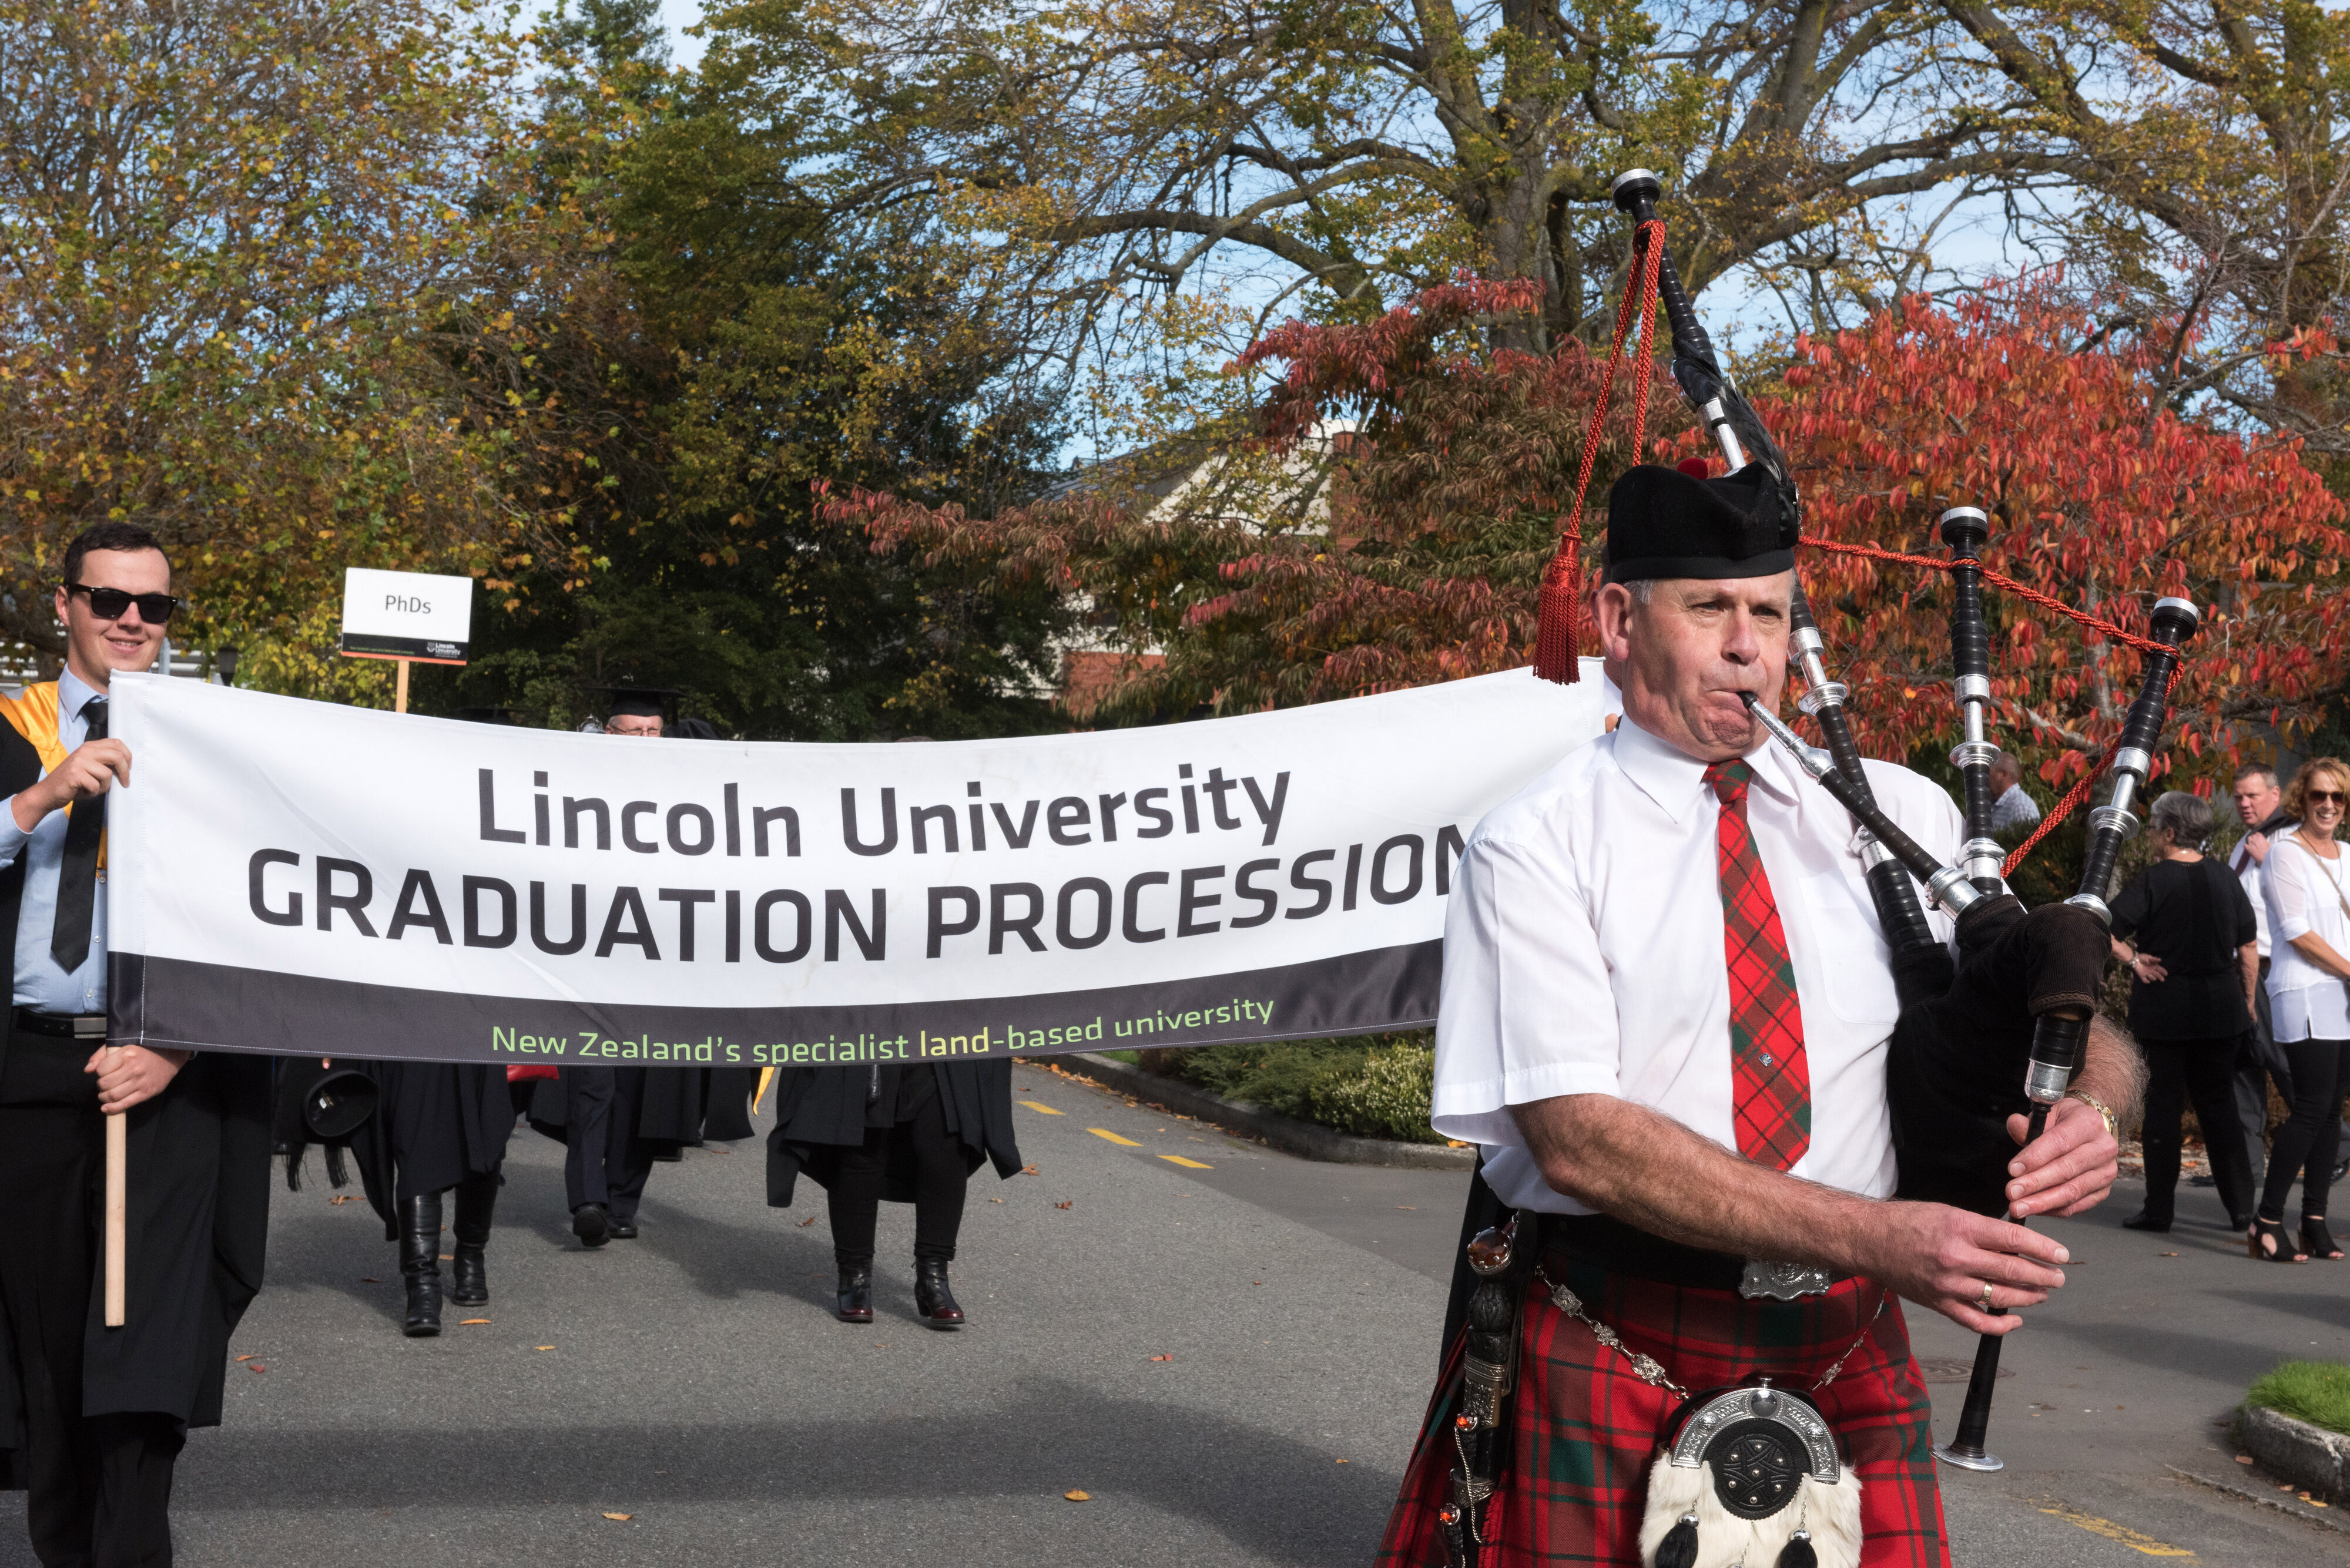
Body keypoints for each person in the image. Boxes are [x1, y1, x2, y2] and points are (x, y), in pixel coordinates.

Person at [1379, 464, 2134, 1568]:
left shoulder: (1893, 814)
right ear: (1615, 621)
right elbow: (1577, 1136)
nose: (1748, 647)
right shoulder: (1536, 842)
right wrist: (1880, 1234)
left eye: (1770, 612)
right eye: (1709, 607)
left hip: (1843, 1339)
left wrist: (2093, 1104)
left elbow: (2038, 999)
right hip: (1619, 1321)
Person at [0, 521, 273, 1566]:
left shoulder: (218, 746)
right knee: (50, 1351)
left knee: (146, 1355)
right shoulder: (14, 727)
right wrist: (36, 797)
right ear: (61, 602)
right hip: (29, 1071)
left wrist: (179, 1042)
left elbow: (262, 919)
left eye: (154, 605)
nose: (131, 620)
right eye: (109, 598)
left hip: (170, 1077)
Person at [767, 1060, 1023, 1328]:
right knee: (861, 1143)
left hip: (943, 1035)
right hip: (867, 1031)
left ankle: (933, 1279)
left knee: (946, 1143)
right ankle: (854, 1277)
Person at [2106, 791, 2258, 1233]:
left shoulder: (2153, 881)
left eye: (2153, 826)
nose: (2151, 833)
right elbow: (2247, 946)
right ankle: (2241, 1209)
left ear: (2169, 831)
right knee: (2220, 1107)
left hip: (2163, 1011)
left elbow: (2103, 925)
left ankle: (2158, 1209)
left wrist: (2133, 959)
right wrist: (2246, 999)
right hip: (2219, 1008)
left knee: (2162, 1110)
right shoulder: (2226, 878)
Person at [2252, 757, 2350, 1263]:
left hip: (2344, 998)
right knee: (2310, 1108)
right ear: (2301, 799)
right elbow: (2295, 931)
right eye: (2318, 795)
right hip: (2305, 991)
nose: (2328, 805)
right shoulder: (2284, 853)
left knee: (2331, 1111)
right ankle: (2266, 1219)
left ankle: (2313, 1218)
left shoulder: (2349, 855)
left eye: (2337, 797)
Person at [2227, 765, 2297, 1184]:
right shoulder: (2241, 843)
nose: (2243, 804)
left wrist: (2270, 861)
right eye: (2237, 797)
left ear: (2274, 793)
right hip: (2235, 971)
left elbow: (2307, 894)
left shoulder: (2289, 839)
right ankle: (2246, 1167)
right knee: (2241, 1070)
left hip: (2271, 970)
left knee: (2283, 1064)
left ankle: (2336, 1140)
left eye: (2251, 795)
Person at [1987, 750, 2043, 832]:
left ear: (2004, 774)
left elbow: (2027, 844)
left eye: (1990, 775)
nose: (1986, 779)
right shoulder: (1993, 803)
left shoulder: (2021, 807)